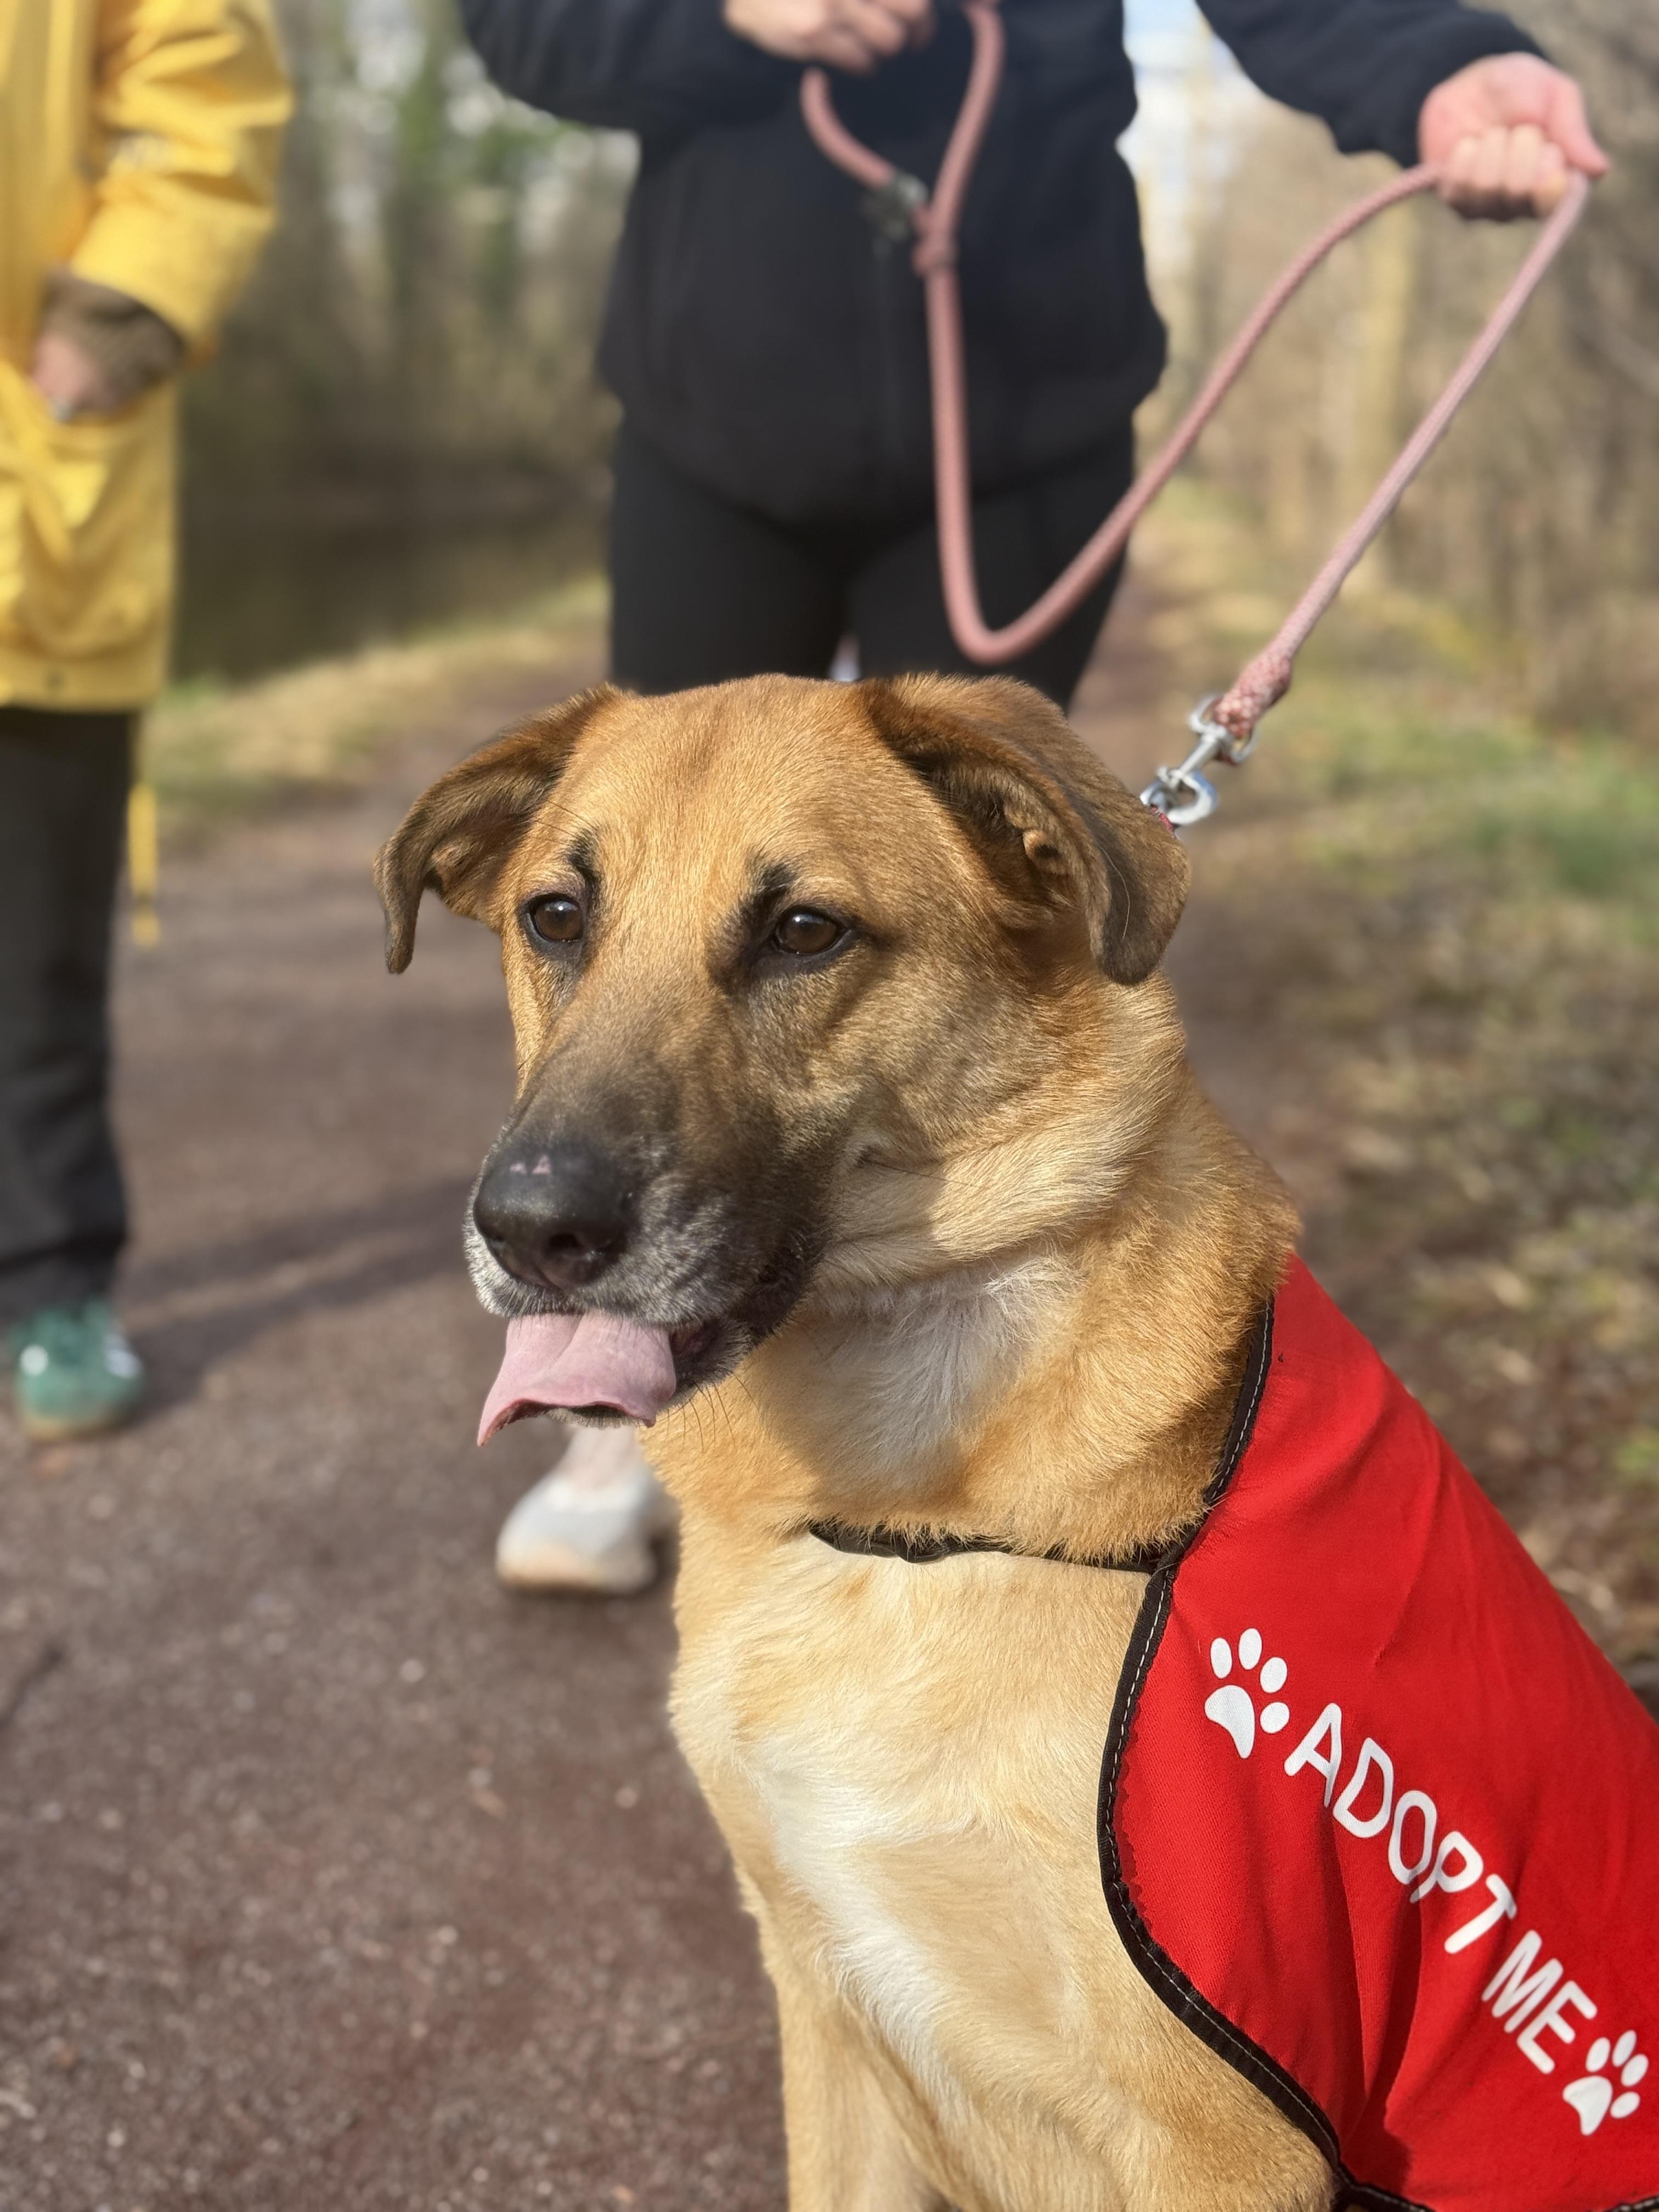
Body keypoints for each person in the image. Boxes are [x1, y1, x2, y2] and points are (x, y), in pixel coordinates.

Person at [461, 0, 1604, 1593]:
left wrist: (1432, 63)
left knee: (955, 943)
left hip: (1023, 416)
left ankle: (1024, 1431)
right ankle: (622, 1395)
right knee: (662, 879)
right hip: (719, 405)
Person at [2, 1, 291, 1443]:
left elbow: (210, 88)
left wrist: (120, 311)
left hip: (29, 507)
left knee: (35, 967)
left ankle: (51, 1278)